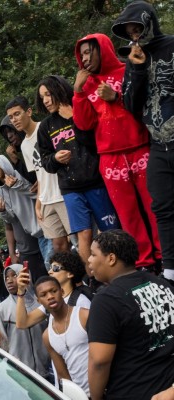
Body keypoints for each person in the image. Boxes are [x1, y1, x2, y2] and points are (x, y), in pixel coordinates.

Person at [73, 32, 161, 271]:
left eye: (89, 52)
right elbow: (84, 124)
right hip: (110, 158)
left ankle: (166, 255)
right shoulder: (87, 84)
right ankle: (143, 262)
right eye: (81, 55)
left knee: (155, 206)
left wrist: (116, 97)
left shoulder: (126, 71)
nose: (85, 58)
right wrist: (79, 93)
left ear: (103, 49)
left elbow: (145, 103)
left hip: (140, 148)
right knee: (127, 213)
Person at [112, 1, 174, 283]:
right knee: (161, 206)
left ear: (149, 22)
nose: (134, 34)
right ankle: (171, 273)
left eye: (137, 27)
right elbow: (130, 105)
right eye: (129, 31)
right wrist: (136, 70)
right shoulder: (134, 59)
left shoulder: (171, 45)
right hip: (158, 145)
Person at [36, 75, 119, 274]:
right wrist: (55, 159)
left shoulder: (82, 109)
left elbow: (96, 142)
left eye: (48, 94)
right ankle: (91, 277)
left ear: (60, 90)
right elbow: (46, 163)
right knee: (83, 233)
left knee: (110, 230)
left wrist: (74, 117)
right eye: (42, 97)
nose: (46, 100)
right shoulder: (46, 127)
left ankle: (118, 270)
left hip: (96, 182)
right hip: (70, 189)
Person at [87, 229, 174, 400]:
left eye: (93, 254)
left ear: (111, 259)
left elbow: (99, 361)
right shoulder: (161, 283)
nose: (89, 260)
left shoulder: (106, 299)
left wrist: (95, 398)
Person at [7, 96, 71, 258]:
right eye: (11, 117)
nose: (14, 120)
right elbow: (39, 174)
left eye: (17, 114)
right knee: (58, 246)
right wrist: (38, 202)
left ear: (28, 112)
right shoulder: (24, 145)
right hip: (45, 199)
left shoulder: (47, 127)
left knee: (77, 239)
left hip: (64, 192)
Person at [0, 155, 48, 283]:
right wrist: (1, 212)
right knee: (37, 279)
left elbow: (38, 193)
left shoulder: (20, 175)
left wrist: (17, 185)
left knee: (51, 268)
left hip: (43, 229)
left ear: (4, 164)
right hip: (26, 242)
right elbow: (10, 220)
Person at [0, 264, 49, 379]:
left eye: (14, 275)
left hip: (47, 370)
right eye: (6, 277)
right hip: (19, 375)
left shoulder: (42, 303)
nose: (9, 280)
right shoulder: (0, 311)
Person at [34, 276, 90, 396]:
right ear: (38, 301)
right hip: (81, 396)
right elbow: (63, 376)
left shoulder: (84, 316)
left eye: (54, 291)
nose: (50, 297)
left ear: (62, 291)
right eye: (43, 295)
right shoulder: (47, 336)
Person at [16, 251, 91, 329]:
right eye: (50, 268)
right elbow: (22, 324)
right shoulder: (52, 301)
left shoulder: (81, 301)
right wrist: (20, 291)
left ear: (70, 274)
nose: (49, 272)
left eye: (55, 268)